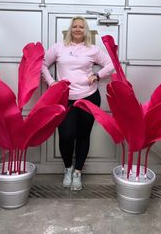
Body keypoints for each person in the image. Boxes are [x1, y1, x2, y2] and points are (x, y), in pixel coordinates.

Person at [41, 16, 114, 191]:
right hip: (64, 97)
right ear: (70, 29)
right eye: (75, 26)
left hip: (88, 97)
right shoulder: (58, 48)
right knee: (66, 136)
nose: (78, 29)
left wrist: (97, 76)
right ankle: (67, 168)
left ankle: (78, 172)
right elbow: (42, 64)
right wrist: (51, 83)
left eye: (81, 26)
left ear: (86, 30)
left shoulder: (93, 49)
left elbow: (111, 64)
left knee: (83, 135)